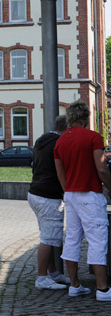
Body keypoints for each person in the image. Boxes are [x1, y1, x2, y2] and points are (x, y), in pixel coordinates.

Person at [53, 100, 111, 301]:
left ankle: (75, 285)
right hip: (90, 194)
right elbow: (102, 168)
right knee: (97, 240)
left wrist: (69, 191)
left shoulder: (60, 142)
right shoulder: (93, 137)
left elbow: (61, 175)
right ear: (86, 118)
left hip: (71, 194)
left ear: (69, 118)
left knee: (72, 239)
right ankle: (103, 289)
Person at [28, 115, 70, 290]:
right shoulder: (59, 143)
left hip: (35, 193)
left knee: (49, 234)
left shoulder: (42, 140)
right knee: (48, 238)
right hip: (48, 196)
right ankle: (42, 277)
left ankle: (53, 273)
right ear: (67, 128)